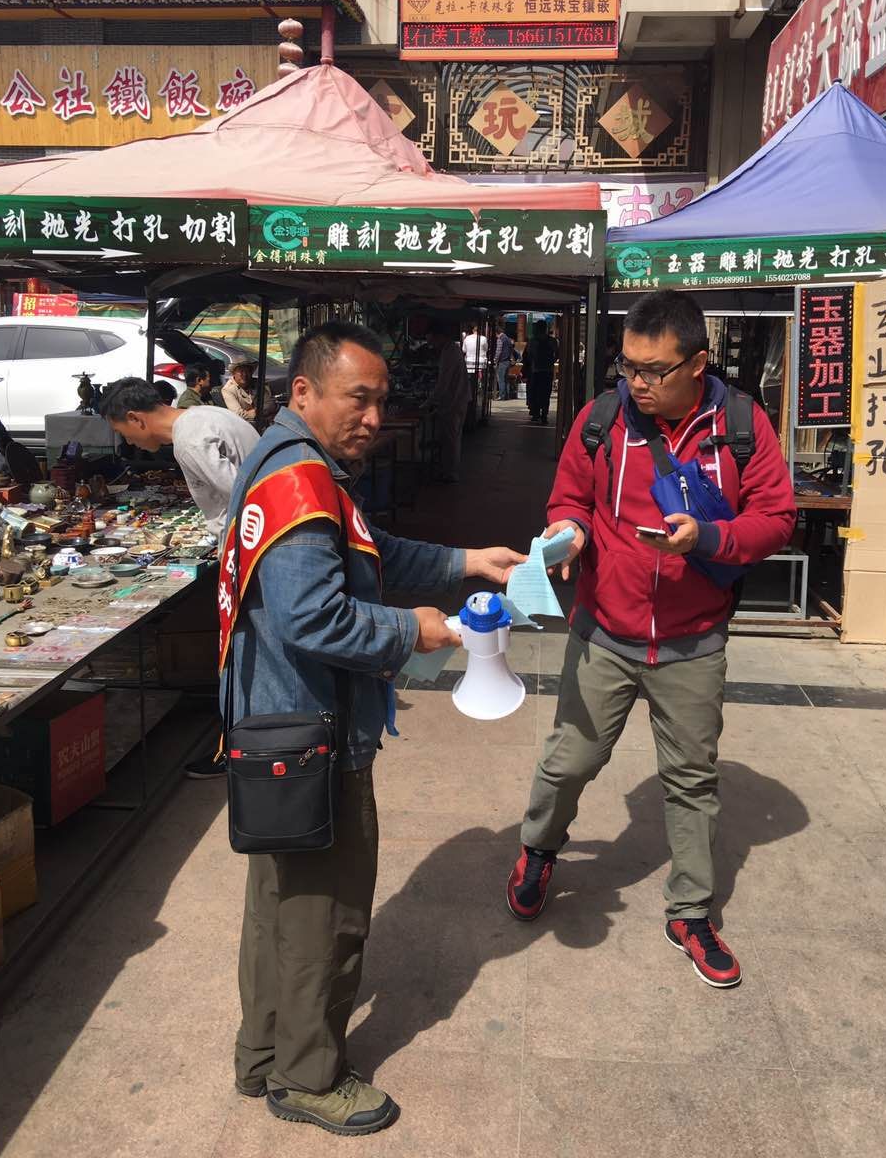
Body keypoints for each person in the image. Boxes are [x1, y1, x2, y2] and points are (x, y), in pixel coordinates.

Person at [222, 321, 524, 1134]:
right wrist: (409, 630)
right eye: (358, 399)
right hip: (312, 734)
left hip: (273, 728)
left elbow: (368, 550)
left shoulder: (289, 463)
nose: (374, 418)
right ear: (304, 391)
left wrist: (466, 562)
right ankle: (308, 1078)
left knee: (280, 904)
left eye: (381, 401)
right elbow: (313, 617)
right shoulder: (300, 480)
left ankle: (262, 1053)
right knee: (326, 918)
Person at [506, 290, 796, 989]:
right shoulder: (602, 421)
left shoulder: (741, 425)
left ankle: (691, 912)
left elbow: (777, 516)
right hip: (605, 630)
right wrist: (569, 531)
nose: (636, 383)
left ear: (698, 363)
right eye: (628, 367)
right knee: (570, 760)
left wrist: (712, 538)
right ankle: (538, 850)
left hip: (693, 641)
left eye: (653, 370)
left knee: (692, 779)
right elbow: (569, 496)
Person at [100, 377, 260, 781]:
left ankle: (236, 749)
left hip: (249, 549)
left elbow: (244, 494)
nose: (131, 444)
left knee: (238, 653)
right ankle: (244, 742)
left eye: (125, 434)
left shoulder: (189, 440)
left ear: (136, 419)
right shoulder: (206, 415)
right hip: (253, 544)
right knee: (246, 652)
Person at [424, 321, 471, 483]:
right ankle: (448, 471)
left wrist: (428, 402)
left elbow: (443, 383)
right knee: (451, 438)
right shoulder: (450, 350)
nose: (431, 344)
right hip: (455, 399)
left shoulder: (450, 352)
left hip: (454, 401)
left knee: (451, 439)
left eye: (431, 340)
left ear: (439, 336)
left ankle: (450, 473)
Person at [221, 358, 277, 427]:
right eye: (241, 371)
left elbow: (271, 404)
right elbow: (238, 415)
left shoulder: (259, 383)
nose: (245, 374)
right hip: (243, 426)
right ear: (234, 373)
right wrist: (259, 411)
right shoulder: (228, 390)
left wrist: (253, 412)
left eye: (247, 371)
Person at [524, 321, 558, 425]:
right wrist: (551, 361)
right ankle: (544, 414)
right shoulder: (552, 341)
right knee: (546, 393)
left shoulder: (532, 341)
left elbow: (528, 355)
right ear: (545, 328)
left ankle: (536, 413)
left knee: (535, 392)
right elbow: (557, 353)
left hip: (536, 370)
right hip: (548, 371)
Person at [493, 320, 514, 400]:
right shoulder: (508, 339)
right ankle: (506, 395)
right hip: (508, 361)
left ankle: (502, 396)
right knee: (506, 379)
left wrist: (495, 360)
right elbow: (511, 349)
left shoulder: (500, 339)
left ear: (496, 333)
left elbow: (498, 351)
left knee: (501, 379)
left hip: (502, 361)